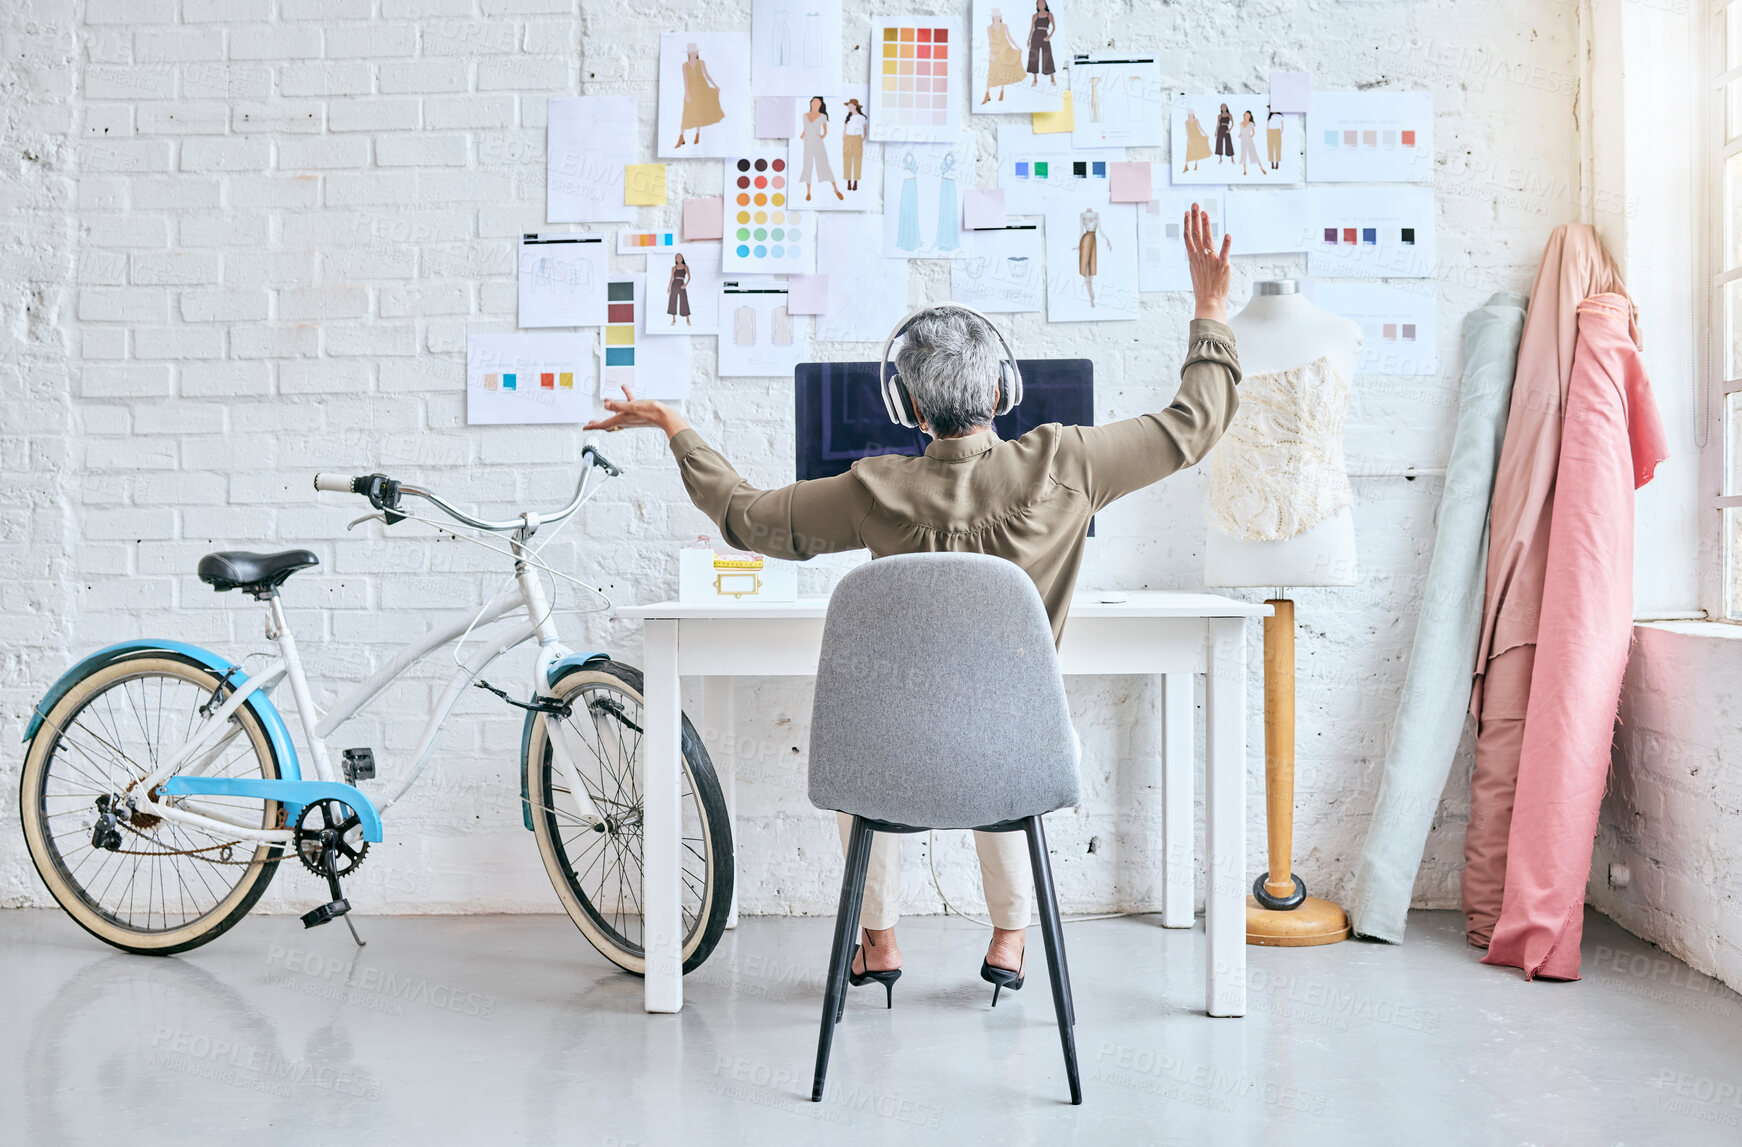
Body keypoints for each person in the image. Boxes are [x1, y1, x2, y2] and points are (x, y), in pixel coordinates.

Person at [585, 207, 1239, 993]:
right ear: (1003, 387)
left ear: (911, 409)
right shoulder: (1070, 461)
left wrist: (676, 425)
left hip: (893, 762)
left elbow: (748, 518)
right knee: (1002, 720)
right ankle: (1008, 937)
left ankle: (882, 941)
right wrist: (1208, 312)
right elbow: (1192, 425)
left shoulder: (873, 488)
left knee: (874, 730)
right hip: (1017, 755)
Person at [675, 43, 723, 149]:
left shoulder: (701, 63)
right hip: (691, 91)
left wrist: (715, 86)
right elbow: (685, 80)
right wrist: (687, 93)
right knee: (687, 112)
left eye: (695, 52)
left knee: (699, 112)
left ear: (697, 53)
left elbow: (707, 75)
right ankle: (681, 137)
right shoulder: (684, 65)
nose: (693, 54)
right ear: (688, 54)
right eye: (691, 52)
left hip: (702, 89)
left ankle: (697, 135)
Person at [799, 96, 843, 202]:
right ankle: (808, 192)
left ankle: (836, 189)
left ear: (820, 105)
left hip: (818, 142)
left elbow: (825, 131)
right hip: (807, 142)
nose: (815, 104)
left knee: (824, 164)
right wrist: (802, 136)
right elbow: (805, 129)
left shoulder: (822, 116)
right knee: (807, 165)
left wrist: (821, 136)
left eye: (817, 103)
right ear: (811, 103)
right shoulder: (805, 116)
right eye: (813, 102)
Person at [982, 8, 1025, 104]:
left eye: (998, 15)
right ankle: (987, 94)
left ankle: (1002, 92)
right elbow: (990, 42)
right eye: (995, 15)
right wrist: (992, 53)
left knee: (1004, 71)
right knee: (992, 71)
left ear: (1000, 16)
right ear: (992, 17)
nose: (996, 17)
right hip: (996, 50)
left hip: (1005, 49)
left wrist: (1018, 47)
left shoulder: (1004, 26)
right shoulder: (989, 28)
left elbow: (1009, 37)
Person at [1026, 0, 1056, 86]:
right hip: (1035, 36)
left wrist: (1049, 36)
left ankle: (1052, 77)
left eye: (1042, 2)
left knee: (1048, 55)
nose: (1041, 4)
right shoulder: (1034, 16)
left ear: (1045, 4)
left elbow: (1054, 27)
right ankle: (1035, 79)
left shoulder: (1049, 14)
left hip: (1044, 35)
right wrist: (1028, 40)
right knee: (1034, 56)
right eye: (1039, 3)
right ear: (1037, 5)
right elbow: (1032, 28)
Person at [841, 99, 866, 190]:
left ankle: (855, 182)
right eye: (848, 106)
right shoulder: (848, 117)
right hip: (848, 138)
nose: (849, 108)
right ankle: (848, 182)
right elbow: (845, 128)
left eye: (850, 106)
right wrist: (844, 137)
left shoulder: (861, 117)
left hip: (857, 139)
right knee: (847, 160)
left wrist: (863, 138)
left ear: (855, 106)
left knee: (857, 160)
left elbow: (864, 129)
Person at [1182, 107, 1211, 173]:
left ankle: (1196, 164)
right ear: (1188, 114)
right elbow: (1187, 131)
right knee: (1189, 150)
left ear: (1193, 114)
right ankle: (1186, 166)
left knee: (1197, 150)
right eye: (1190, 114)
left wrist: (1206, 134)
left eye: (1192, 113)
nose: (1191, 114)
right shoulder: (1186, 122)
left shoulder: (1196, 120)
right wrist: (1188, 139)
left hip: (1198, 136)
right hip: (1191, 137)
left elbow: (1200, 128)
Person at [666, 253, 690, 327]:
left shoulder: (686, 267)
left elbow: (689, 277)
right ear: (675, 259)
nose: (679, 258)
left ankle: (687, 319)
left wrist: (685, 284)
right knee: (673, 300)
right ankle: (674, 319)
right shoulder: (673, 268)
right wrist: (669, 287)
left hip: (682, 284)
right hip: (674, 284)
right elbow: (671, 278)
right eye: (677, 257)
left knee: (684, 300)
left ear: (682, 258)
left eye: (680, 257)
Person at [1238, 109, 1264, 176]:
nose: (1246, 116)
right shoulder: (1241, 123)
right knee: (1243, 154)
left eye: (1248, 115)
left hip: (1249, 139)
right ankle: (1244, 170)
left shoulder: (1251, 123)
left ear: (1250, 116)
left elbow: (1253, 132)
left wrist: (1252, 135)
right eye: (1246, 115)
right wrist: (1240, 135)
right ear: (1244, 115)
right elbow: (1241, 132)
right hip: (1243, 140)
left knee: (1253, 152)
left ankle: (1261, 168)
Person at [1266, 104, 1284, 171]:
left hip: (1277, 131)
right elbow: (1268, 125)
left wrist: (1281, 131)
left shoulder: (1280, 116)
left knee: (1278, 147)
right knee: (1270, 147)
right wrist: (1267, 132)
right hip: (1270, 132)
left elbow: (1282, 124)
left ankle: (1277, 163)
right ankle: (1272, 163)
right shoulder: (1270, 116)